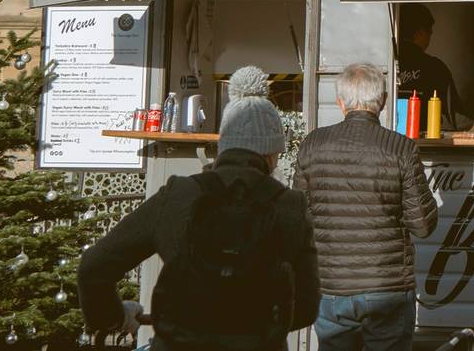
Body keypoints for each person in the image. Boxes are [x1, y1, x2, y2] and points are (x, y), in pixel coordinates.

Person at [78, 65, 320, 351]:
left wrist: (114, 317)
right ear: (271, 153)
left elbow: (93, 268)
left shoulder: (179, 194)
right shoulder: (289, 205)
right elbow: (306, 306)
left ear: (223, 145)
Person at [293, 63, 439, 351]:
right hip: (388, 287)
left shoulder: (312, 145)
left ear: (340, 102)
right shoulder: (401, 148)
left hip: (330, 286)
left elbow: (298, 218)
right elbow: (423, 225)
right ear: (383, 102)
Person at [397, 2, 463, 132]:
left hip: (388, 141)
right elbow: (455, 114)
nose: (429, 39)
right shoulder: (434, 67)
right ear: (420, 33)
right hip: (424, 144)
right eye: (430, 33)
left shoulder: (382, 65)